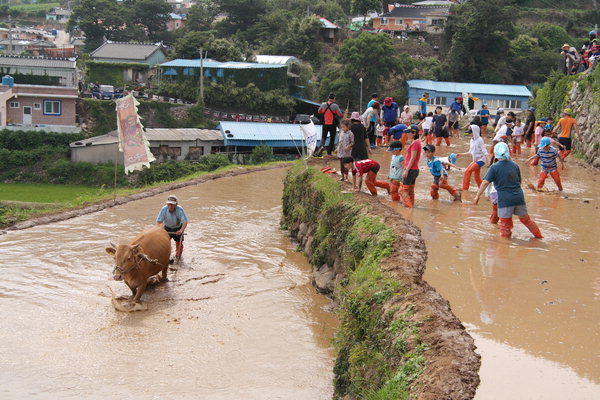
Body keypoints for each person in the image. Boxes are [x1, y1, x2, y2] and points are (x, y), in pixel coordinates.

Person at [474, 143, 542, 239]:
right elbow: (519, 181)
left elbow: (485, 182)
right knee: (526, 220)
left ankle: (505, 248)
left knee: (504, 225)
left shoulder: (494, 167)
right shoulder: (514, 165)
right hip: (519, 197)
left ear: (496, 153)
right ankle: (539, 237)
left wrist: (477, 196)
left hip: (505, 200)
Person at [456, 122, 487, 191]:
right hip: (475, 160)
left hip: (481, 160)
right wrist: (460, 154)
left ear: (475, 132)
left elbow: (485, 152)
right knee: (476, 177)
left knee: (467, 171)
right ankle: (483, 189)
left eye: (471, 132)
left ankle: (465, 188)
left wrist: (488, 163)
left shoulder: (480, 140)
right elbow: (470, 152)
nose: (470, 134)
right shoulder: (471, 140)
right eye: (469, 133)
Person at [156, 195, 189, 260]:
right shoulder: (164, 209)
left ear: (176, 204)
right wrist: (161, 229)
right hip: (167, 228)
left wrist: (181, 230)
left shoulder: (180, 210)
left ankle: (178, 257)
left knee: (179, 245)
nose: (170, 206)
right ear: (166, 204)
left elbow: (185, 221)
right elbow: (159, 221)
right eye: (169, 204)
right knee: (164, 243)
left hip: (178, 228)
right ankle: (166, 256)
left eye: (172, 204)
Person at [400, 125, 422, 208]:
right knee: (410, 190)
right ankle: (411, 206)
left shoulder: (415, 143)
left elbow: (412, 158)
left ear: (414, 133)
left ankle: (408, 208)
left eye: (408, 132)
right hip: (414, 170)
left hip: (411, 169)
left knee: (402, 190)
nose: (407, 134)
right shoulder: (416, 142)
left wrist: (406, 170)